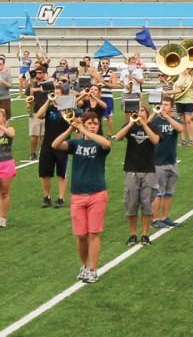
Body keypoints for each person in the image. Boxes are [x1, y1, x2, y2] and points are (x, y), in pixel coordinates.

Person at [52, 112, 112, 283]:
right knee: (80, 235)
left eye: (95, 123)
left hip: (97, 193)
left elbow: (107, 143)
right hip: (78, 195)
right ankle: (84, 265)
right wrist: (71, 128)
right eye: (90, 123)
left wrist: (86, 131)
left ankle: (93, 268)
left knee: (93, 233)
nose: (93, 125)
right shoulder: (75, 143)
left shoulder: (99, 144)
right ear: (84, 124)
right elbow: (55, 144)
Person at [114, 103, 159, 246]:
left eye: (143, 111)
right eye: (139, 111)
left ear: (147, 113)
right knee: (131, 204)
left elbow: (155, 140)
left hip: (148, 170)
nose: (140, 113)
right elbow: (118, 137)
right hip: (131, 169)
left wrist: (144, 125)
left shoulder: (153, 127)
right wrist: (131, 123)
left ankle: (145, 234)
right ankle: (133, 234)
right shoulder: (130, 125)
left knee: (146, 204)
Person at [151, 99, 184, 228]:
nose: (163, 107)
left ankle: (165, 217)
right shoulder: (155, 121)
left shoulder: (175, 121)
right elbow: (145, 124)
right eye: (162, 104)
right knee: (158, 193)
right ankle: (155, 219)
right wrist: (155, 113)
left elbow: (180, 129)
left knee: (169, 192)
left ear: (171, 107)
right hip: (157, 162)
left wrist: (168, 118)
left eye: (166, 105)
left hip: (172, 161)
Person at [36, 83, 69, 208]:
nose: (56, 95)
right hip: (47, 143)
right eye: (55, 93)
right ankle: (46, 197)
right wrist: (48, 102)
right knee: (45, 172)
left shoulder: (68, 108)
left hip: (63, 144)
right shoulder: (49, 107)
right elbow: (39, 115)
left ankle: (61, 198)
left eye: (58, 93)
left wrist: (61, 106)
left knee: (62, 172)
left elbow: (69, 120)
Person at [168, 68, 193, 147]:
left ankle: (191, 140)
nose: (186, 69)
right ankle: (183, 140)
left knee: (189, 120)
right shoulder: (179, 76)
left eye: (187, 68)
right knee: (182, 120)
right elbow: (176, 87)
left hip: (191, 100)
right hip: (179, 100)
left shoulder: (192, 77)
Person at [27, 67, 49, 161]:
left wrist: (38, 88)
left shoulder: (47, 83)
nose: (38, 74)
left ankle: (43, 152)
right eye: (36, 73)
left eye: (40, 73)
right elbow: (28, 95)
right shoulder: (32, 83)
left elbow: (49, 91)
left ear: (44, 74)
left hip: (45, 112)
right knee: (34, 135)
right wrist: (31, 85)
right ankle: (33, 153)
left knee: (44, 135)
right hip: (35, 111)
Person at [0, 109, 15, 228]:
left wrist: (2, 127)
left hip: (6, 163)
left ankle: (3, 218)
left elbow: (12, 135)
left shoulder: (9, 129)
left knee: (4, 192)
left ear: (4, 118)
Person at [97, 59, 119, 135]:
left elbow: (114, 86)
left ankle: (109, 133)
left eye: (106, 63)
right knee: (99, 116)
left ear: (109, 64)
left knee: (109, 116)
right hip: (100, 97)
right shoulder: (99, 73)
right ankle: (99, 132)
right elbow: (97, 84)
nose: (105, 64)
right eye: (103, 63)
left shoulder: (112, 73)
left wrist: (104, 82)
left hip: (108, 97)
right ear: (101, 64)